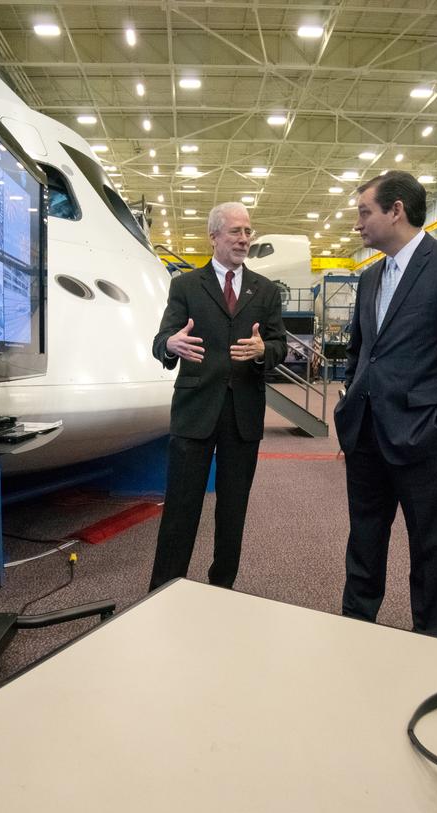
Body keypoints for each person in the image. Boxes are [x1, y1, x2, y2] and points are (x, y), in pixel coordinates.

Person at [334, 172, 437, 637]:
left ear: (396, 210)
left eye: (365, 212)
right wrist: (350, 396)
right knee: (363, 541)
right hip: (365, 433)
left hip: (423, 436)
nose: (358, 224)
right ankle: (356, 629)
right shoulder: (368, 278)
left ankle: (432, 642)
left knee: (429, 548)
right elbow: (362, 351)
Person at [148, 202, 287, 590]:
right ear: (214, 236)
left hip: (243, 414)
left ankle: (221, 588)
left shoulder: (266, 290)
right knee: (181, 507)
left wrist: (265, 352)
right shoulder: (186, 286)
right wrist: (169, 345)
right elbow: (162, 340)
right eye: (235, 232)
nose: (244, 239)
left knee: (233, 510)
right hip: (195, 410)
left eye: (248, 232)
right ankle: (165, 588)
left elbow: (279, 345)